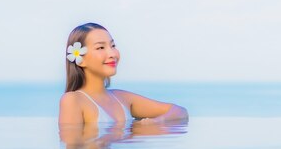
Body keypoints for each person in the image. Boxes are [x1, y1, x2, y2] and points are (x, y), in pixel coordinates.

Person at [58, 22, 188, 124]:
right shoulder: (72, 100)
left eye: (113, 46)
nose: (113, 54)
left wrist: (156, 122)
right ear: (80, 60)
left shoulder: (122, 98)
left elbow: (180, 111)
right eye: (101, 47)